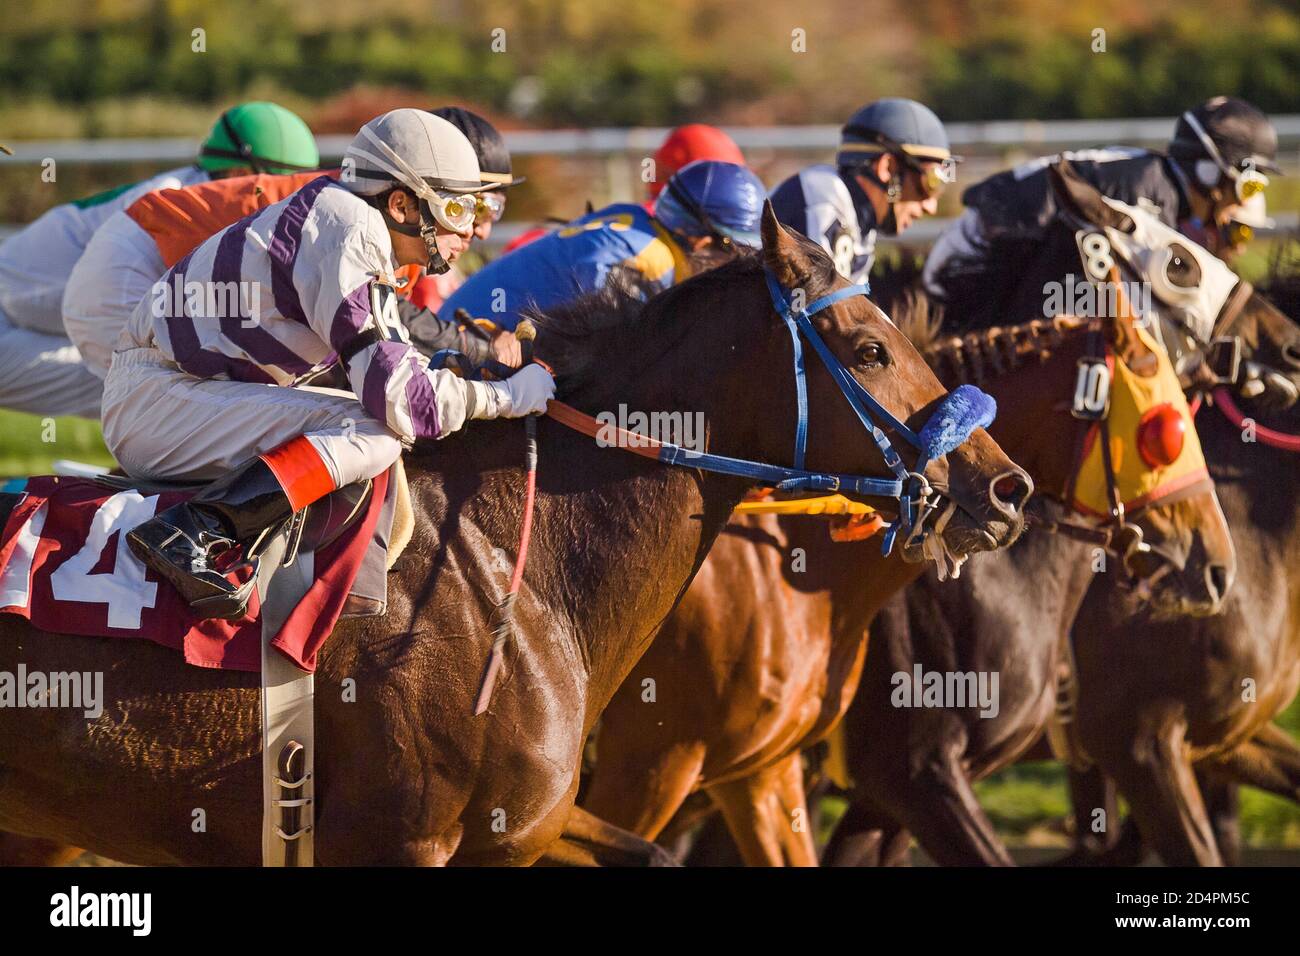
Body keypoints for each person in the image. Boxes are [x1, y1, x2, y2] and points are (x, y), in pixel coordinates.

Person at [106, 108, 554, 619]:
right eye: (456, 209)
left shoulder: (347, 220)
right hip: (155, 400)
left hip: (171, 392)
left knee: (361, 419)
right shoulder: (349, 231)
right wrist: (510, 398)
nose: (471, 229)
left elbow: (385, 362)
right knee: (374, 430)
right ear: (402, 203)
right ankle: (197, 528)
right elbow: (403, 404)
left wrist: (455, 368)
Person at [0, 101, 319, 417]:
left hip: (43, 321)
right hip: (13, 318)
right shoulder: (180, 201)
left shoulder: (195, 192)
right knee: (170, 389)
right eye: (282, 183)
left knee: (172, 387)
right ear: (240, 172)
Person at [923, 96, 1280, 303]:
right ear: (1209, 172)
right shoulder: (1151, 196)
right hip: (972, 262)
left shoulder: (1157, 184)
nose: (1247, 203)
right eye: (1250, 188)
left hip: (988, 247)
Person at [438, 159, 765, 331]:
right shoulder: (644, 263)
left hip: (462, 335)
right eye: (737, 251)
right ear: (702, 240)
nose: (740, 263)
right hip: (461, 357)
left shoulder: (633, 221)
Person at [770, 98, 958, 283]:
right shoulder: (824, 200)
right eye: (930, 181)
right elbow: (817, 309)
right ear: (888, 167)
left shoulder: (859, 223)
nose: (930, 207)